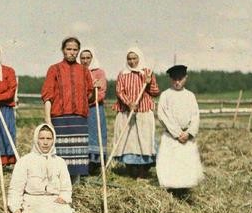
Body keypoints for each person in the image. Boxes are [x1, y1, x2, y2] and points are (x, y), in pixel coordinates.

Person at [7, 123, 85, 213]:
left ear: (53, 140)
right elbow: (15, 189)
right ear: (36, 139)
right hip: (33, 201)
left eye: (49, 139)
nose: (45, 143)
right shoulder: (25, 161)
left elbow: (66, 187)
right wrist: (16, 209)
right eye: (42, 138)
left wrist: (64, 197)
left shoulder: (59, 162)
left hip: (54, 200)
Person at [41, 37, 94, 181]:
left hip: (79, 119)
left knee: (77, 155)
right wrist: (48, 120)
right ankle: (56, 184)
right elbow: (47, 95)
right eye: (68, 49)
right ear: (63, 50)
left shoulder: (83, 71)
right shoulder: (54, 69)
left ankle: (74, 186)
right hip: (59, 117)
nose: (72, 52)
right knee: (59, 154)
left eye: (75, 49)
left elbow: (89, 93)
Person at [111, 47, 160, 179]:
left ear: (139, 58)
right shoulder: (123, 74)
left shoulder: (147, 72)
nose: (132, 61)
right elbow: (119, 91)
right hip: (126, 112)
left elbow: (155, 92)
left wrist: (149, 83)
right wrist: (129, 103)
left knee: (143, 140)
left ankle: (143, 170)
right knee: (128, 141)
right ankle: (130, 169)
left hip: (143, 112)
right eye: (129, 59)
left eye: (134, 58)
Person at [156, 65, 204, 199]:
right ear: (170, 79)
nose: (177, 82)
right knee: (171, 163)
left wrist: (188, 133)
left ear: (185, 78)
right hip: (172, 136)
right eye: (174, 79)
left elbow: (195, 116)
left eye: (180, 79)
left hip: (186, 136)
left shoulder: (190, 96)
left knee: (185, 163)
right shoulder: (165, 95)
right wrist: (177, 133)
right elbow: (162, 116)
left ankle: (184, 191)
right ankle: (171, 191)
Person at [79, 47, 107, 173]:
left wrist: (93, 96)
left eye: (88, 58)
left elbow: (102, 92)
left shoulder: (99, 72)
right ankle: (82, 164)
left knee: (95, 134)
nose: (85, 61)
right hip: (80, 108)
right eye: (83, 58)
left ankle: (94, 164)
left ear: (92, 58)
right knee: (82, 134)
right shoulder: (77, 71)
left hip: (95, 108)